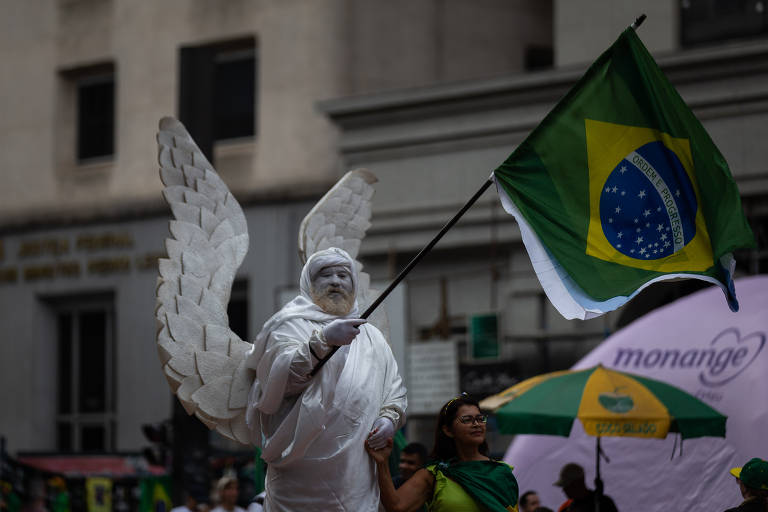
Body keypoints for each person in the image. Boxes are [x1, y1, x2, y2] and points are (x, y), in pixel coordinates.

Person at [245, 247, 407, 511]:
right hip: (299, 475)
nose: (335, 281)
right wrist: (322, 341)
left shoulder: (372, 337)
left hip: (355, 475)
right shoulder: (288, 325)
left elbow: (394, 390)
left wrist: (390, 418)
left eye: (343, 276)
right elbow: (280, 382)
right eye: (325, 275)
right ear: (309, 283)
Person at [366, 394, 519, 511]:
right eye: (467, 419)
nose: (476, 424)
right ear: (448, 430)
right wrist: (382, 462)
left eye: (480, 419)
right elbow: (396, 506)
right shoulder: (435, 474)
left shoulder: (502, 473)